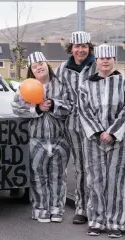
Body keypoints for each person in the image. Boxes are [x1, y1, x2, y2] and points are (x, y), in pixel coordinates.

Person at [11, 52, 71, 223]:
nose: (38, 67)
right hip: (37, 139)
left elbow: (71, 106)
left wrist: (53, 105)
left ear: (46, 63)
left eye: (40, 63)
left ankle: (57, 209)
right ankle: (40, 209)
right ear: (31, 70)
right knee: (37, 176)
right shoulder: (24, 87)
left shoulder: (61, 85)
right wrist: (36, 110)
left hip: (60, 138)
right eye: (34, 65)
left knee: (58, 176)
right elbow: (16, 108)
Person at [78, 44, 125, 238]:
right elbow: (83, 109)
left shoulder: (123, 82)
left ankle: (115, 222)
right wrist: (99, 132)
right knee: (95, 180)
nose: (105, 61)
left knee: (116, 181)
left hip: (118, 141)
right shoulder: (87, 83)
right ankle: (96, 220)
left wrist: (112, 132)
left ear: (114, 59)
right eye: (101, 58)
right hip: (93, 141)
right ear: (96, 61)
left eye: (108, 58)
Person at [55, 31, 97, 224]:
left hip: (96, 126)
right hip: (72, 125)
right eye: (77, 46)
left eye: (84, 46)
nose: (81, 50)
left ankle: (99, 207)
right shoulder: (62, 69)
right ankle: (82, 208)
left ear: (90, 48)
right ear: (71, 48)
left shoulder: (98, 65)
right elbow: (57, 95)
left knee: (96, 167)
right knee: (79, 167)